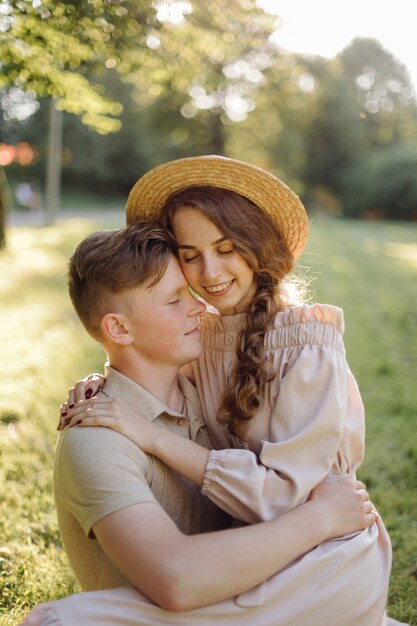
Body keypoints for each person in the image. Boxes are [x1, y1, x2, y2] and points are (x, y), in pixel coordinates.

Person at [62, 155, 393, 625]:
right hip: (252, 549)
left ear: (256, 244)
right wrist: (105, 383)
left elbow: (283, 497)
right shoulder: (207, 337)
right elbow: (146, 365)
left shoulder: (307, 346)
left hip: (324, 549)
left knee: (95, 615)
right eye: (190, 255)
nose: (209, 271)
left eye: (226, 248)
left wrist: (156, 437)